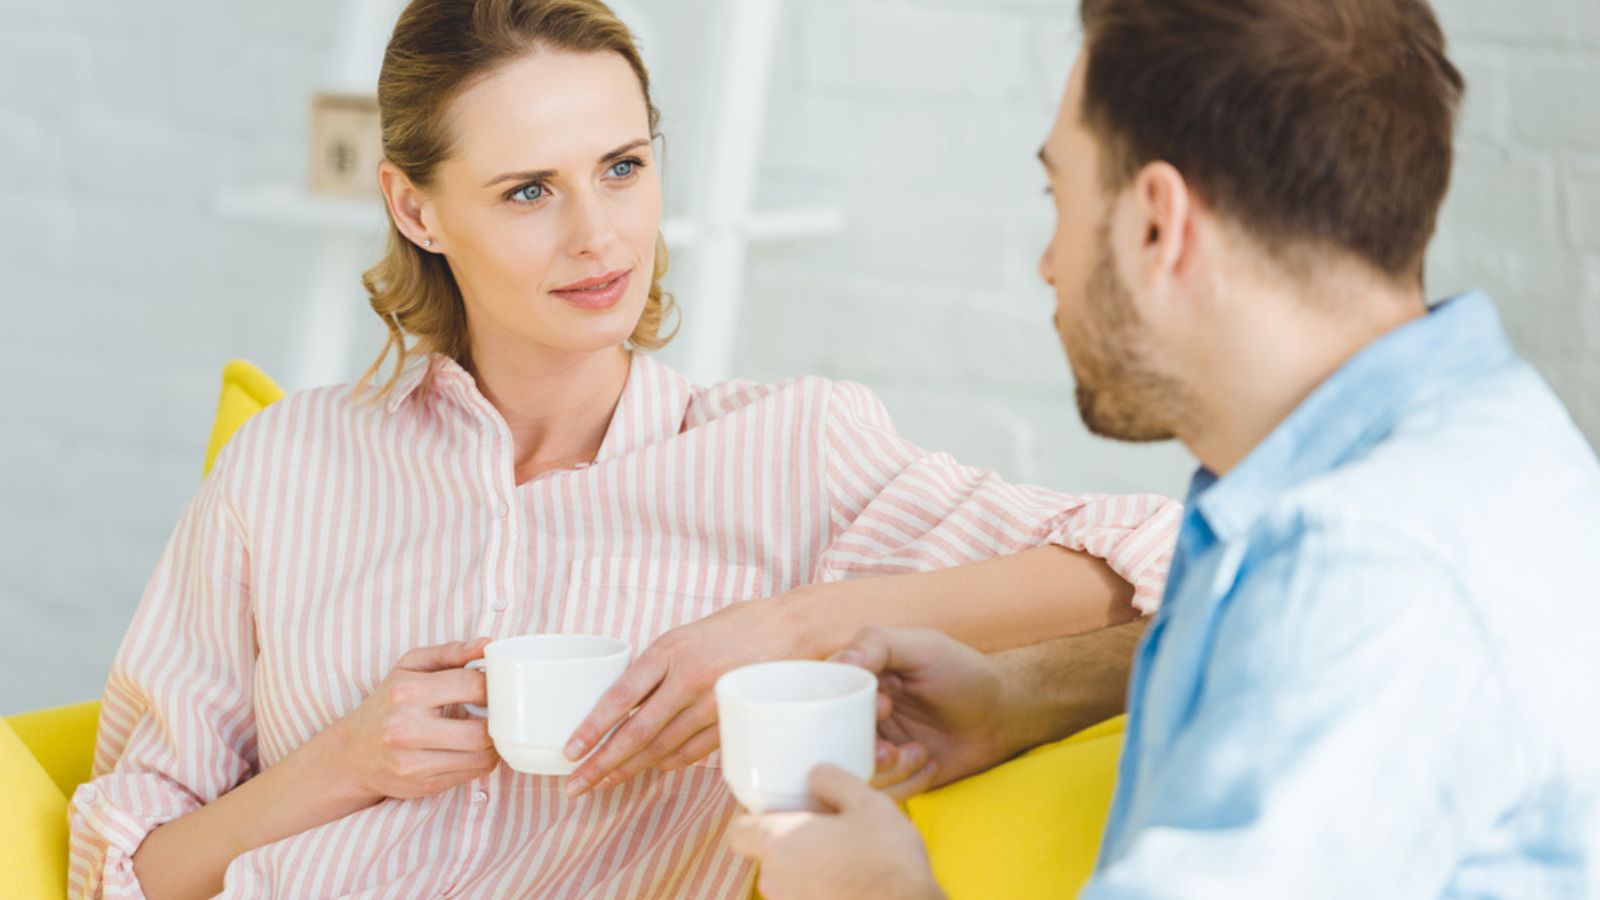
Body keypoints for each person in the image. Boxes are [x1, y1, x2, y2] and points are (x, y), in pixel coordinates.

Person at [65, 1, 1180, 897]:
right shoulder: (284, 467)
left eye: (622, 167)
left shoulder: (786, 454)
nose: (598, 236)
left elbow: (1178, 558)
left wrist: (793, 624)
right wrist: (345, 764)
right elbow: (131, 867)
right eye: (528, 191)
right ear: (416, 208)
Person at [727, 0, 1600, 897]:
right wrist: (1016, 698)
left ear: (1157, 223)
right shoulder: (1487, 440)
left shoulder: (1361, 573)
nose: (1048, 264)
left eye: (1058, 196)